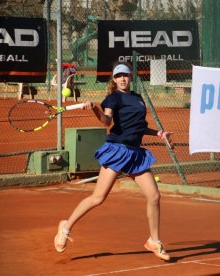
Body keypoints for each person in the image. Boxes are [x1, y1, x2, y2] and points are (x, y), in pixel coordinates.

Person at [54, 63, 173, 261]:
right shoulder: (113, 98)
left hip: (136, 154)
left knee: (154, 196)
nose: (123, 79)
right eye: (119, 76)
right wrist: (95, 109)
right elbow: (106, 122)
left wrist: (159, 133)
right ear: (114, 79)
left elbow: (140, 126)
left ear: (130, 77)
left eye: (126, 75)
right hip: (118, 151)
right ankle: (65, 226)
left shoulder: (137, 98)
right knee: (98, 198)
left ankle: (154, 240)